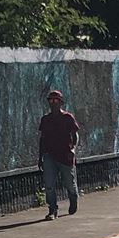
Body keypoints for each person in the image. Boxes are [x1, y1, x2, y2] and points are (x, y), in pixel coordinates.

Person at [38, 88, 80, 220]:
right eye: (51, 100)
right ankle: (52, 209)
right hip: (50, 155)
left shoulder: (67, 118)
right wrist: (40, 157)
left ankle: (73, 198)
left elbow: (75, 135)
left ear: (61, 102)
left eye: (56, 100)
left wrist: (73, 150)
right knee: (49, 185)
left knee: (69, 183)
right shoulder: (45, 119)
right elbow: (42, 138)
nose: (53, 103)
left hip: (65, 155)